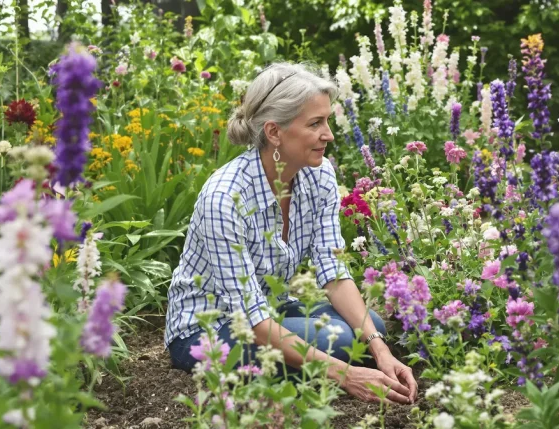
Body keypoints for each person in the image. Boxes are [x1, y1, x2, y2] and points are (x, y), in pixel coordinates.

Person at [165, 62, 417, 404]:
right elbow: (250, 319)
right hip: (208, 329)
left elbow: (333, 272)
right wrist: (345, 375)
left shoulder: (319, 175)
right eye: (315, 123)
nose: (329, 134)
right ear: (274, 132)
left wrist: (381, 351)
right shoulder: (224, 198)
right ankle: (319, 370)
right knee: (341, 341)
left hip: (272, 310)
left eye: (327, 120)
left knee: (371, 329)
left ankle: (314, 365)